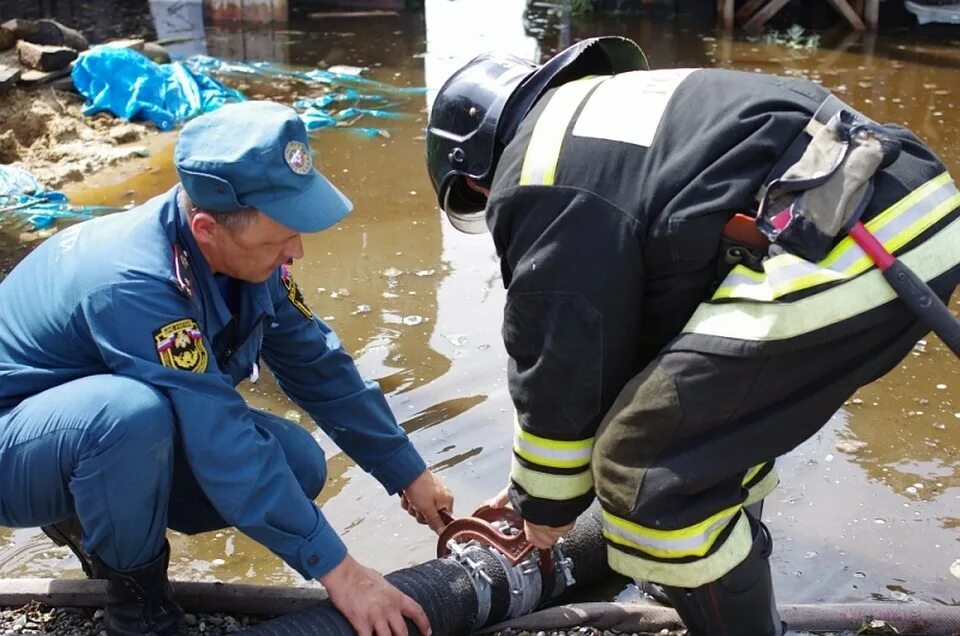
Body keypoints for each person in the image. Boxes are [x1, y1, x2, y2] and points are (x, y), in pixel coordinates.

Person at [425, 36, 960, 636]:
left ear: (472, 177)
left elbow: (563, 359)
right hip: (903, 207)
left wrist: (544, 509)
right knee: (700, 425)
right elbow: (638, 350)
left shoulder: (538, 173)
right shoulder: (602, 119)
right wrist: (526, 490)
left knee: (645, 466)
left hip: (850, 240)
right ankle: (725, 575)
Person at [0, 100, 454, 636]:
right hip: (20, 443)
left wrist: (408, 472)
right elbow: (219, 436)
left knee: (298, 463)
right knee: (129, 415)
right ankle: (139, 610)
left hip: (89, 430)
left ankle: (100, 512)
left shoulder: (250, 260)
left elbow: (319, 366)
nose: (297, 252)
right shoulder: (135, 282)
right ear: (207, 228)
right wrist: (345, 574)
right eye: (280, 238)